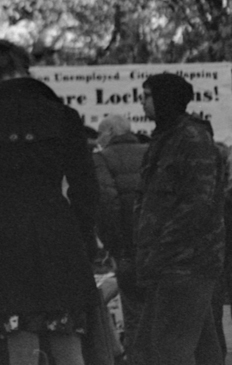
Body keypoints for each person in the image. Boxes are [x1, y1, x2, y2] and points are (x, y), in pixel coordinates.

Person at [0, 40, 97, 365]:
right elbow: (86, 187)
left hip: (4, 240)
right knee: (67, 339)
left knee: (20, 343)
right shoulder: (64, 116)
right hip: (59, 234)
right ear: (26, 71)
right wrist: (81, 232)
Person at [130, 73, 226, 365]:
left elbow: (197, 204)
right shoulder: (166, 138)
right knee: (202, 349)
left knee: (164, 351)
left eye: (147, 96)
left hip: (185, 263)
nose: (142, 102)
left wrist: (161, 249)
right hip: (174, 264)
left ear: (164, 99)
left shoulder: (191, 139)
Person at [92, 113, 148, 350]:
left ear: (111, 132)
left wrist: (113, 245)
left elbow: (107, 205)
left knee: (134, 316)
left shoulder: (102, 158)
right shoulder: (150, 152)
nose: (98, 139)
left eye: (100, 133)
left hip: (127, 247)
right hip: (156, 244)